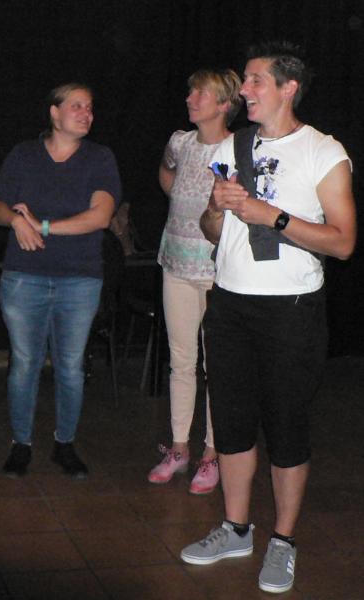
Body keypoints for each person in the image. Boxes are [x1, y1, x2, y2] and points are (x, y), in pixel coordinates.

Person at [180, 42, 356, 594]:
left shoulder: (323, 151)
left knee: (286, 428)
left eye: (255, 80)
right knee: (231, 424)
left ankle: (282, 539)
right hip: (230, 303)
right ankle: (236, 529)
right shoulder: (231, 145)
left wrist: (272, 216)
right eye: (245, 81)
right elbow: (213, 232)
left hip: (291, 310)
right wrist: (217, 208)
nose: (245, 90)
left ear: (288, 88)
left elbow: (343, 242)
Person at [0, 83, 121, 479]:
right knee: (24, 363)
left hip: (79, 278)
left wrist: (41, 226)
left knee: (70, 365)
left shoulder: (99, 157)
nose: (86, 113)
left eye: (90, 107)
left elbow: (100, 217)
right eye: (76, 106)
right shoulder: (24, 154)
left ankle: (65, 443)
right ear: (54, 112)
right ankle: (21, 443)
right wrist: (15, 221)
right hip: (24, 276)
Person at [149, 69, 242, 494]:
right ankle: (179, 448)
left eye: (200, 93)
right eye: (190, 91)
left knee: (215, 365)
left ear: (224, 104)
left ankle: (212, 454)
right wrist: (178, 195)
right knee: (181, 360)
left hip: (217, 271)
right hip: (175, 265)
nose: (190, 98)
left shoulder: (234, 149)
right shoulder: (180, 142)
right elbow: (167, 172)